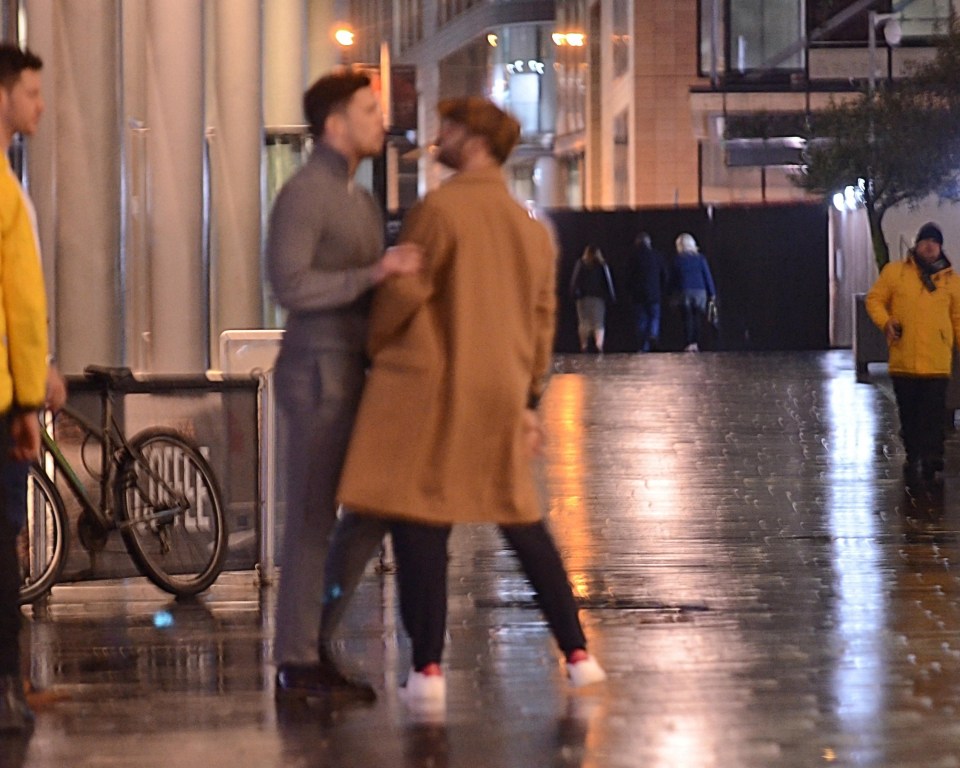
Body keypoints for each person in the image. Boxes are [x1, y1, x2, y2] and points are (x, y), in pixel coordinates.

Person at [337, 97, 606, 713]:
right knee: (523, 523)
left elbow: (406, 293)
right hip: (502, 393)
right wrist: (529, 396)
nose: (441, 134)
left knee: (423, 522)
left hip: (437, 392)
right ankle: (578, 654)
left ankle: (428, 667)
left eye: (451, 126)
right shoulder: (531, 227)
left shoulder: (440, 210)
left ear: (478, 141)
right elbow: (544, 321)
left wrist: (374, 341)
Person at [266, 70, 422, 703]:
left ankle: (315, 641)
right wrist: (373, 273)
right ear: (334, 123)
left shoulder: (355, 197)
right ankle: (298, 660)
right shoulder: (306, 194)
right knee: (310, 519)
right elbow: (290, 285)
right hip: (317, 375)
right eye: (366, 108)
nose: (379, 119)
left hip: (353, 374)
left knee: (371, 510)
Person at [0, 43, 52, 734]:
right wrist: (32, 397)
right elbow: (23, 306)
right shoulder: (7, 192)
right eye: (32, 92)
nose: (41, 105)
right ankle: (6, 689)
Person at [865, 222, 960, 487]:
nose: (929, 246)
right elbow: (875, 299)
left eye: (935, 242)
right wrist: (886, 321)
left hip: (937, 361)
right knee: (910, 412)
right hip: (904, 358)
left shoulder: (951, 281)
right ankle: (913, 452)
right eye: (925, 241)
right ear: (916, 245)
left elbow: (958, 318)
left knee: (934, 412)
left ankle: (932, 456)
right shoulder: (895, 273)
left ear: (940, 247)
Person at [670, 233, 716, 352]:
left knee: (687, 318)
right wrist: (712, 293)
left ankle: (689, 343)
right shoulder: (700, 258)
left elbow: (673, 278)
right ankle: (696, 343)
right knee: (697, 318)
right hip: (700, 292)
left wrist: (670, 292)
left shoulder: (677, 259)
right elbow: (707, 276)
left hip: (684, 291)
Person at [569, 244, 615, 353]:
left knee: (583, 322)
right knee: (598, 322)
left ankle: (584, 345)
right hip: (598, 298)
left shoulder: (581, 264)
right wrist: (611, 296)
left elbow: (575, 280)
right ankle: (599, 344)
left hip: (582, 298)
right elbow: (608, 282)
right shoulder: (602, 265)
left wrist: (573, 294)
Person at [628, 232, 667, 351]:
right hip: (654, 293)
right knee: (654, 317)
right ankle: (653, 334)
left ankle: (643, 347)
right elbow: (665, 274)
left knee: (641, 320)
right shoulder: (657, 255)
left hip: (638, 294)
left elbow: (628, 276)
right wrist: (663, 289)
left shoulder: (633, 257)